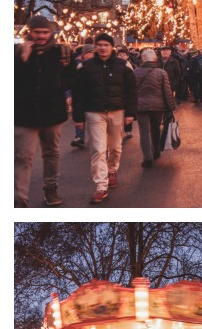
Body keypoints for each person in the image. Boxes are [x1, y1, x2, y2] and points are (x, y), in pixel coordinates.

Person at [14, 15, 74, 207]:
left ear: (51, 33)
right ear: (30, 32)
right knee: (22, 156)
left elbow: (71, 78)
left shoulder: (61, 52)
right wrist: (20, 59)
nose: (40, 36)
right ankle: (19, 198)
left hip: (52, 112)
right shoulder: (16, 52)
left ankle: (51, 189)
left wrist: (58, 87)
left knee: (51, 153)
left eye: (45, 32)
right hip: (24, 114)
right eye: (37, 32)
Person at [72, 32, 138, 203]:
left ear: (112, 47)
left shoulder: (123, 65)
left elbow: (132, 90)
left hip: (117, 111)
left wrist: (131, 113)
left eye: (106, 45)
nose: (102, 48)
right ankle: (101, 185)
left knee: (115, 147)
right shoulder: (85, 66)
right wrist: (78, 117)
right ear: (95, 47)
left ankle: (112, 169)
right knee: (98, 149)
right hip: (94, 112)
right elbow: (78, 93)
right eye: (99, 45)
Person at [134, 48, 176, 168]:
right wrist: (171, 107)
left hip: (140, 106)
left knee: (144, 132)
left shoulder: (136, 72)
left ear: (142, 58)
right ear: (155, 58)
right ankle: (156, 150)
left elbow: (132, 91)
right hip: (158, 106)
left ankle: (147, 158)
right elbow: (167, 92)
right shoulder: (161, 72)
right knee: (156, 128)